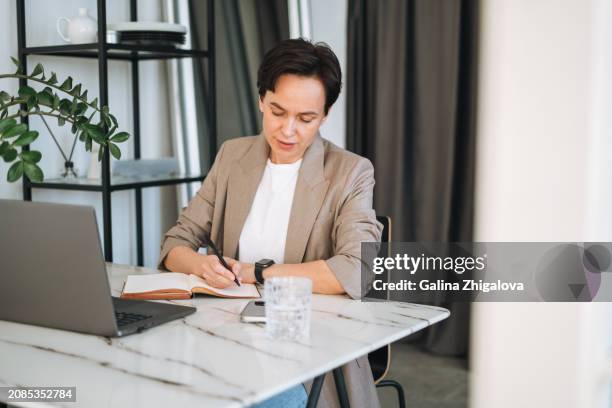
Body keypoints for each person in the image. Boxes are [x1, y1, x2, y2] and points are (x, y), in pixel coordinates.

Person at [158, 38, 383, 408]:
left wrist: (256, 273)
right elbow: (175, 243)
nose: (288, 130)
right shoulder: (233, 156)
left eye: (306, 118)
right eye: (277, 112)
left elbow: (357, 270)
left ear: (325, 115)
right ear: (262, 99)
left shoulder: (351, 172)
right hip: (224, 336)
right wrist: (202, 264)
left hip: (307, 349)